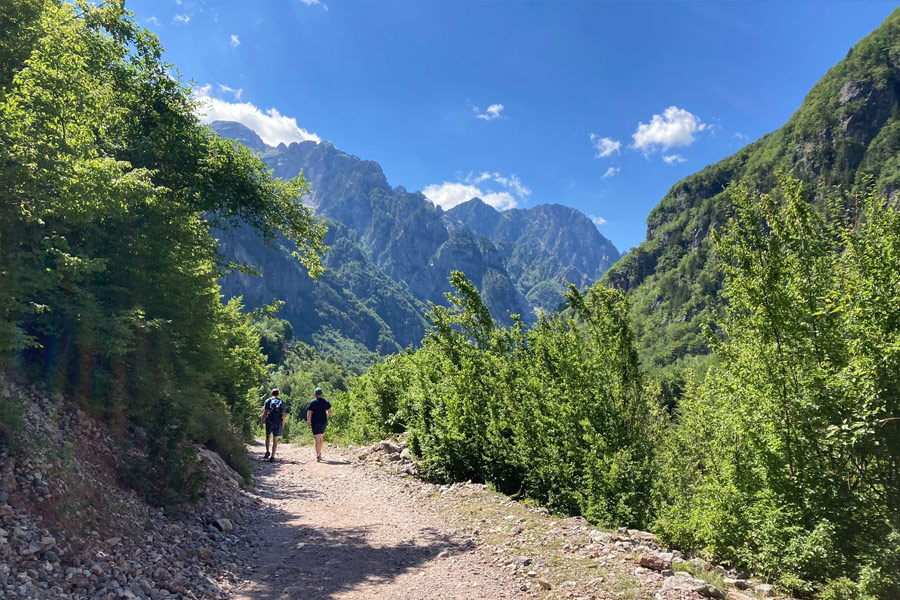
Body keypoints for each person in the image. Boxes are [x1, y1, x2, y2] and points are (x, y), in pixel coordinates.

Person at [306, 387, 332, 462]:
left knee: (317, 439)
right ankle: (320, 453)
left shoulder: (312, 402)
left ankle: (318, 455)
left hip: (315, 422)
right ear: (321, 394)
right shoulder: (325, 402)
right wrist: (326, 414)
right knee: (321, 438)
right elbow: (330, 412)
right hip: (323, 421)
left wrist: (308, 421)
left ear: (315, 394)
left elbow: (309, 413)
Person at [261, 388, 286, 462]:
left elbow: (265, 412)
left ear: (271, 393)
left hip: (269, 421)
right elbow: (283, 415)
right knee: (275, 440)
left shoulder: (268, 401)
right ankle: (272, 456)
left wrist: (262, 422)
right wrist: (283, 424)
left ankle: (267, 451)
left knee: (268, 436)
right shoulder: (281, 402)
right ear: (278, 394)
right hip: (278, 422)